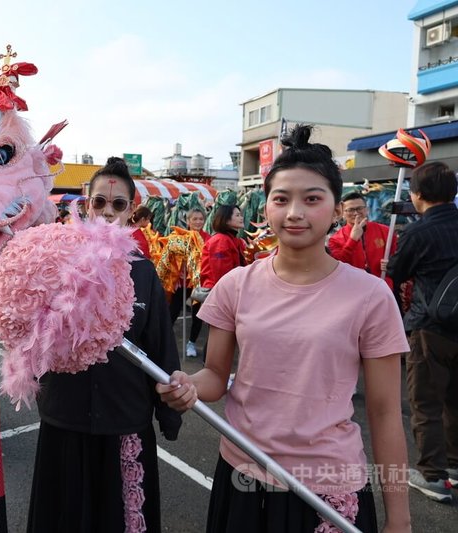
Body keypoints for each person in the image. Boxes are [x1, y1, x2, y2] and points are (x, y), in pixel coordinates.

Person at [156, 125, 411, 532]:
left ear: (334, 208)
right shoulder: (236, 286)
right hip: (242, 475)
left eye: (312, 199)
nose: (295, 212)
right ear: (267, 208)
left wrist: (400, 520)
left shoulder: (371, 296)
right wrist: (185, 385)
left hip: (329, 488)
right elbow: (216, 377)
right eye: (282, 199)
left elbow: (383, 412)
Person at [27, 157, 182, 533]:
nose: (107, 212)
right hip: (66, 412)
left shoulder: (143, 272)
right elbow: (29, 324)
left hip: (124, 416)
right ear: (86, 203)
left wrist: (169, 412)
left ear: (131, 211)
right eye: (100, 203)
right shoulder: (55, 262)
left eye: (118, 204)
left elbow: (160, 344)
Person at [387, 161, 458, 503]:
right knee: (456, 400)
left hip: (430, 327)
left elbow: (397, 274)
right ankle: (455, 467)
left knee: (426, 403)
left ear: (416, 195)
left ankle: (433, 475)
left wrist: (392, 266)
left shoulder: (416, 232)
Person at [328, 191, 396, 287]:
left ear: (367, 209)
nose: (356, 213)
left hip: (383, 287)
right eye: (351, 210)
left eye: (359, 208)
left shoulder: (385, 231)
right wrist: (352, 240)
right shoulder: (335, 239)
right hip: (352, 289)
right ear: (342, 213)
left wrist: (392, 264)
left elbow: (398, 257)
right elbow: (337, 267)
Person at [168, 207, 212, 357]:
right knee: (172, 312)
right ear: (188, 221)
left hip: (199, 285)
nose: (198, 222)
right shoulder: (180, 236)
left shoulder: (208, 238)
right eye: (195, 219)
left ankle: (191, 343)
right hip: (181, 283)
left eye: (201, 219)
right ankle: (164, 341)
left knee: (197, 316)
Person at [198, 204, 246, 290]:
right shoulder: (220, 241)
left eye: (240, 215)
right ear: (226, 220)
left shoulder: (234, 240)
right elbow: (221, 275)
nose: (241, 218)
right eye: (237, 215)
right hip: (218, 291)